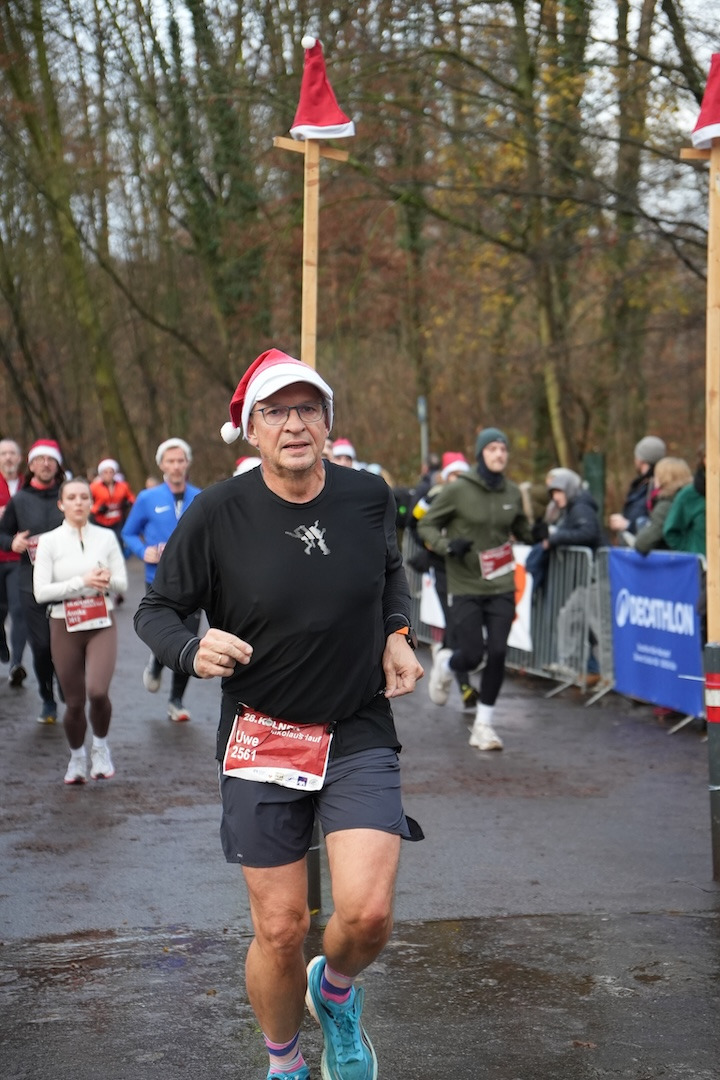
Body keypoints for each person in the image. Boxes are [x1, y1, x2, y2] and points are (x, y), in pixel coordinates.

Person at [134, 347, 424, 1080]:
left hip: (356, 724)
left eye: (307, 409)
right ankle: (285, 1061)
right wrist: (191, 648)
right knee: (281, 926)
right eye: (276, 412)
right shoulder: (217, 512)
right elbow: (156, 608)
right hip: (263, 731)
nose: (294, 424)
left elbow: (390, 572)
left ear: (327, 422)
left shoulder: (368, 496)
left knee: (366, 914)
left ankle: (337, 991)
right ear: (251, 428)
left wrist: (397, 631)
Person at [417, 427, 532, 751]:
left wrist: (534, 532)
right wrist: (446, 546)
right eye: (493, 448)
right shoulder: (458, 490)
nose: (499, 454)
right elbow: (425, 523)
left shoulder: (512, 492)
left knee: (497, 652)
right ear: (481, 453)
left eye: (503, 449)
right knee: (472, 654)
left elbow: (520, 527)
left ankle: (483, 725)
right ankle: (447, 665)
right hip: (466, 582)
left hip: (502, 583)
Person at [33, 477, 127, 784]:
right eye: (71, 498)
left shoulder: (106, 537)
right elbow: (41, 592)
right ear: (61, 504)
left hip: (101, 621)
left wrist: (105, 580)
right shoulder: (49, 541)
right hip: (64, 622)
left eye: (84, 497)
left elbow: (122, 584)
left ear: (91, 502)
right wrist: (82, 582)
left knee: (98, 692)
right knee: (74, 702)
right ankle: (76, 758)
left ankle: (100, 747)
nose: (78, 502)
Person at [121, 438, 201, 722]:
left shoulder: (201, 497)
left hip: (194, 581)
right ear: (161, 465)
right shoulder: (147, 498)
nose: (176, 466)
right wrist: (144, 551)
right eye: (171, 461)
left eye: (181, 460)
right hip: (158, 579)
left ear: (187, 463)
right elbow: (128, 533)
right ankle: (156, 662)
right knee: (163, 633)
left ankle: (176, 701)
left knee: (188, 639)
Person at [0, 439, 65, 723]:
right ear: (31, 465)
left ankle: (65, 683)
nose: (45, 464)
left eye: (51, 459)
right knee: (41, 645)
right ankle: (47, 699)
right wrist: (11, 543)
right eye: (40, 459)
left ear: (57, 465)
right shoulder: (20, 500)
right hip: (31, 581)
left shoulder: (69, 495)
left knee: (66, 644)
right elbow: (2, 534)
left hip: (68, 581)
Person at [408, 452, 477, 709]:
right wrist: (431, 546)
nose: (458, 479)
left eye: (463, 474)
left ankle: (443, 657)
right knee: (455, 621)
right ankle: (465, 686)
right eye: (454, 474)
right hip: (443, 568)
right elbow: (413, 522)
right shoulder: (434, 496)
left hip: (467, 570)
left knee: (462, 623)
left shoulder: (474, 499)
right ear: (447, 477)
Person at [0, 438, 28, 686]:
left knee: (19, 609)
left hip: (20, 558)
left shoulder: (27, 485)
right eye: (3, 453)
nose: (8, 457)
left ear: (19, 458)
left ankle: (16, 665)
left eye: (12, 453)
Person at [627, 456, 693, 555]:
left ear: (664, 478)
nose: (654, 479)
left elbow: (643, 543)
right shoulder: (692, 499)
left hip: (671, 561)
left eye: (656, 475)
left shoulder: (666, 505)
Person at [609, 435, 666, 539]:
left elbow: (657, 524)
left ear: (641, 459)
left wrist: (627, 525)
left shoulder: (656, 487)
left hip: (644, 544)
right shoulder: (639, 485)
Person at [663, 447, 706, 555]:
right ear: (705, 460)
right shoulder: (688, 495)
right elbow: (671, 532)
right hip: (703, 563)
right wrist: (693, 552)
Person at [90, 457, 135, 542]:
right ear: (101, 474)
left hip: (118, 520)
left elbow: (131, 498)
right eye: (105, 472)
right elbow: (89, 504)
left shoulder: (123, 486)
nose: (108, 475)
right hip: (101, 521)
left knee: (119, 541)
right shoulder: (94, 487)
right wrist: (97, 509)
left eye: (111, 472)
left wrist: (127, 503)